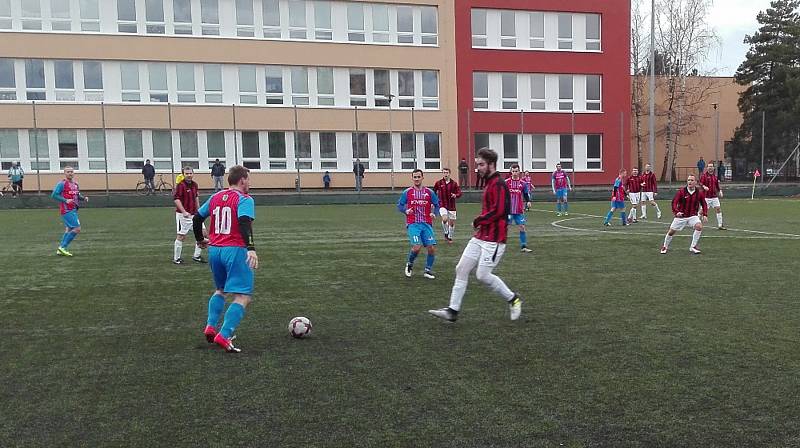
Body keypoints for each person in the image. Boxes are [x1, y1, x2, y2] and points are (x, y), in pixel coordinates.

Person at [428, 148, 523, 323]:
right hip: (481, 236)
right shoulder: (489, 182)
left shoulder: (500, 184)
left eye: (481, 164)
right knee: (461, 269)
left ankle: (513, 299)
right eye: (477, 164)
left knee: (483, 275)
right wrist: (480, 224)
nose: (477, 168)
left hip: (495, 239)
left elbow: (500, 210)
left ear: (491, 165)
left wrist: (479, 220)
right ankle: (452, 311)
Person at [193, 166, 258, 353]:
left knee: (220, 290)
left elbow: (197, 219)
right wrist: (251, 249)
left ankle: (210, 326)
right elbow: (245, 222)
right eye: (249, 179)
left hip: (215, 251)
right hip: (235, 250)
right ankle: (224, 334)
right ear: (242, 180)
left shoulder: (215, 197)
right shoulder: (245, 199)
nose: (249, 183)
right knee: (243, 296)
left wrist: (199, 240)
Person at [397, 169, 440, 279]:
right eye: (415, 177)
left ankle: (427, 270)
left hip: (426, 224)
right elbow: (400, 205)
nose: (416, 179)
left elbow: (437, 205)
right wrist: (405, 211)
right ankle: (410, 264)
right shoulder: (407, 192)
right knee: (416, 247)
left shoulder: (429, 192)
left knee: (431, 248)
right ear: (412, 178)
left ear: (422, 177)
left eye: (418, 177)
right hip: (413, 224)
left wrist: (434, 213)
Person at [661, 174, 708, 254]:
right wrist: (676, 212)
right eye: (688, 180)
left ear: (695, 182)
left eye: (692, 180)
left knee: (699, 226)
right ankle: (665, 246)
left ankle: (693, 246)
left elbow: (704, 204)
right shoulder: (681, 192)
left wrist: (705, 214)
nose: (690, 182)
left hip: (692, 216)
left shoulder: (699, 193)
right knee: (671, 232)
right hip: (681, 216)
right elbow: (674, 203)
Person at [51, 166, 88, 256]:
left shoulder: (75, 184)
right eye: (68, 172)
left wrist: (83, 198)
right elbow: (54, 195)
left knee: (69, 228)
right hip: (67, 210)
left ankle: (60, 249)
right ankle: (62, 247)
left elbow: (77, 195)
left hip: (74, 209)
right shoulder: (62, 184)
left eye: (71, 171)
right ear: (65, 173)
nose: (70, 173)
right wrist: (65, 200)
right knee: (77, 228)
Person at [173, 166, 206, 264]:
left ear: (193, 173)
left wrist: (199, 211)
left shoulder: (195, 185)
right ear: (183, 174)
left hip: (194, 215)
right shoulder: (180, 185)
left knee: (203, 234)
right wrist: (183, 211)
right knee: (181, 236)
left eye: (190, 173)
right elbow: (176, 199)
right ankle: (176, 258)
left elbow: (196, 197)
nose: (189, 175)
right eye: (187, 173)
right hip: (183, 216)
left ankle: (197, 255)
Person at [506, 164, 532, 252]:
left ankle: (523, 246)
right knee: (505, 227)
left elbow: (525, 194)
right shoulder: (506, 182)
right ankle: (499, 245)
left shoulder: (523, 183)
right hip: (508, 211)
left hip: (518, 210)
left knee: (522, 227)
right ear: (511, 172)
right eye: (513, 171)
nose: (515, 173)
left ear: (519, 172)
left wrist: (528, 201)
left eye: (516, 171)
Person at [432, 168, 462, 243]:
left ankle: (450, 237)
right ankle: (446, 233)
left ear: (449, 173)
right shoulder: (438, 183)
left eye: (447, 172)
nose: (445, 174)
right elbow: (433, 192)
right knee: (445, 219)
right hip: (442, 204)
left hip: (451, 206)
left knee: (451, 223)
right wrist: (433, 201)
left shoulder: (454, 183)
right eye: (444, 172)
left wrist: (456, 195)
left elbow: (459, 193)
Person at [699, 162, 726, 230]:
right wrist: (704, 186)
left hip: (714, 197)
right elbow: (700, 183)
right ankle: (695, 223)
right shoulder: (704, 176)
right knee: (701, 211)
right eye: (709, 166)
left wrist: (720, 191)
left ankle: (720, 225)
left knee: (718, 209)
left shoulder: (715, 177)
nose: (710, 168)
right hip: (706, 197)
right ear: (707, 168)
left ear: (713, 168)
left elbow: (717, 186)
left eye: (711, 166)